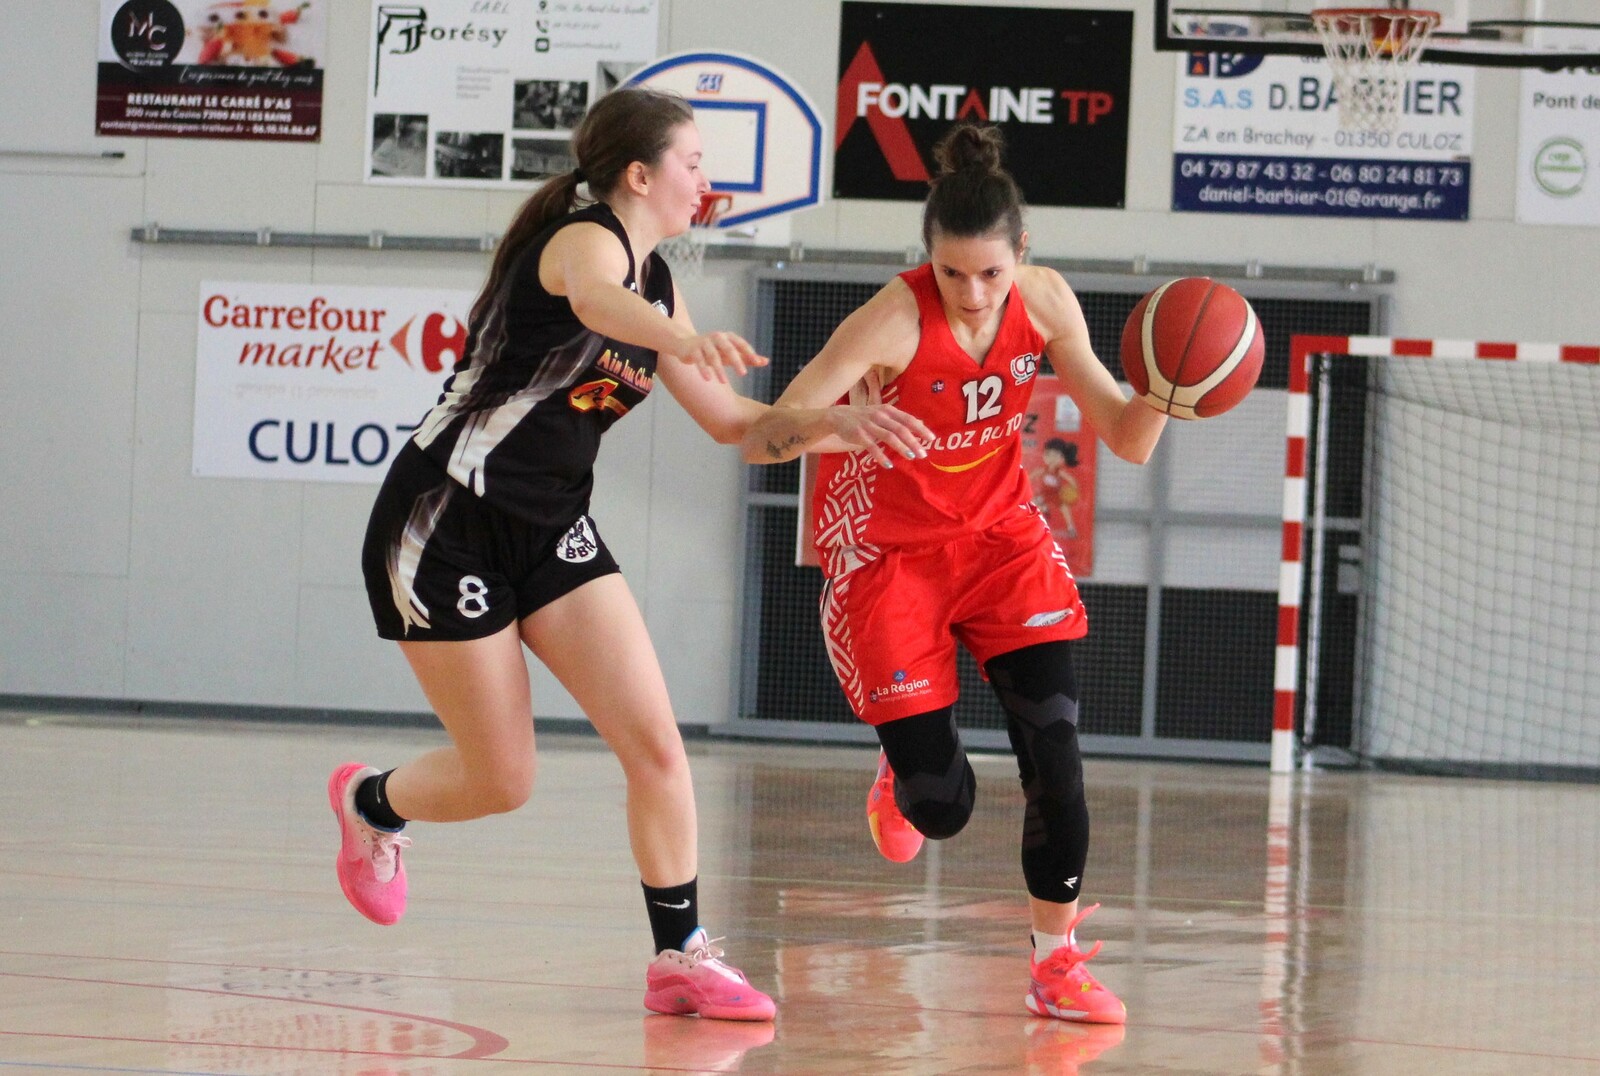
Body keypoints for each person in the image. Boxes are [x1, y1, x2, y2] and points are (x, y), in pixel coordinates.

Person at [336, 85, 781, 1022]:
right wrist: (685, 338)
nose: (705, 180)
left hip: (551, 529)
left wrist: (836, 423)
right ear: (640, 176)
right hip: (444, 522)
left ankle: (680, 958)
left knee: (656, 747)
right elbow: (594, 299)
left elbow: (735, 423)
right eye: (693, 162)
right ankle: (372, 804)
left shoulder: (659, 283)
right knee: (503, 779)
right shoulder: (583, 241)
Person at [739, 123, 1169, 1025]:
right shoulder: (890, 322)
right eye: (951, 274)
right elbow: (762, 438)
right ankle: (902, 767)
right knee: (939, 811)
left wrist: (1172, 390)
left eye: (990, 273)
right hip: (894, 557)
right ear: (926, 257)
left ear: (1023, 252)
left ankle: (1054, 964)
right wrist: (836, 423)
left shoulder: (1045, 302)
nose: (973, 295)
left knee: (1056, 754)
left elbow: (1127, 438)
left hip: (1002, 541)